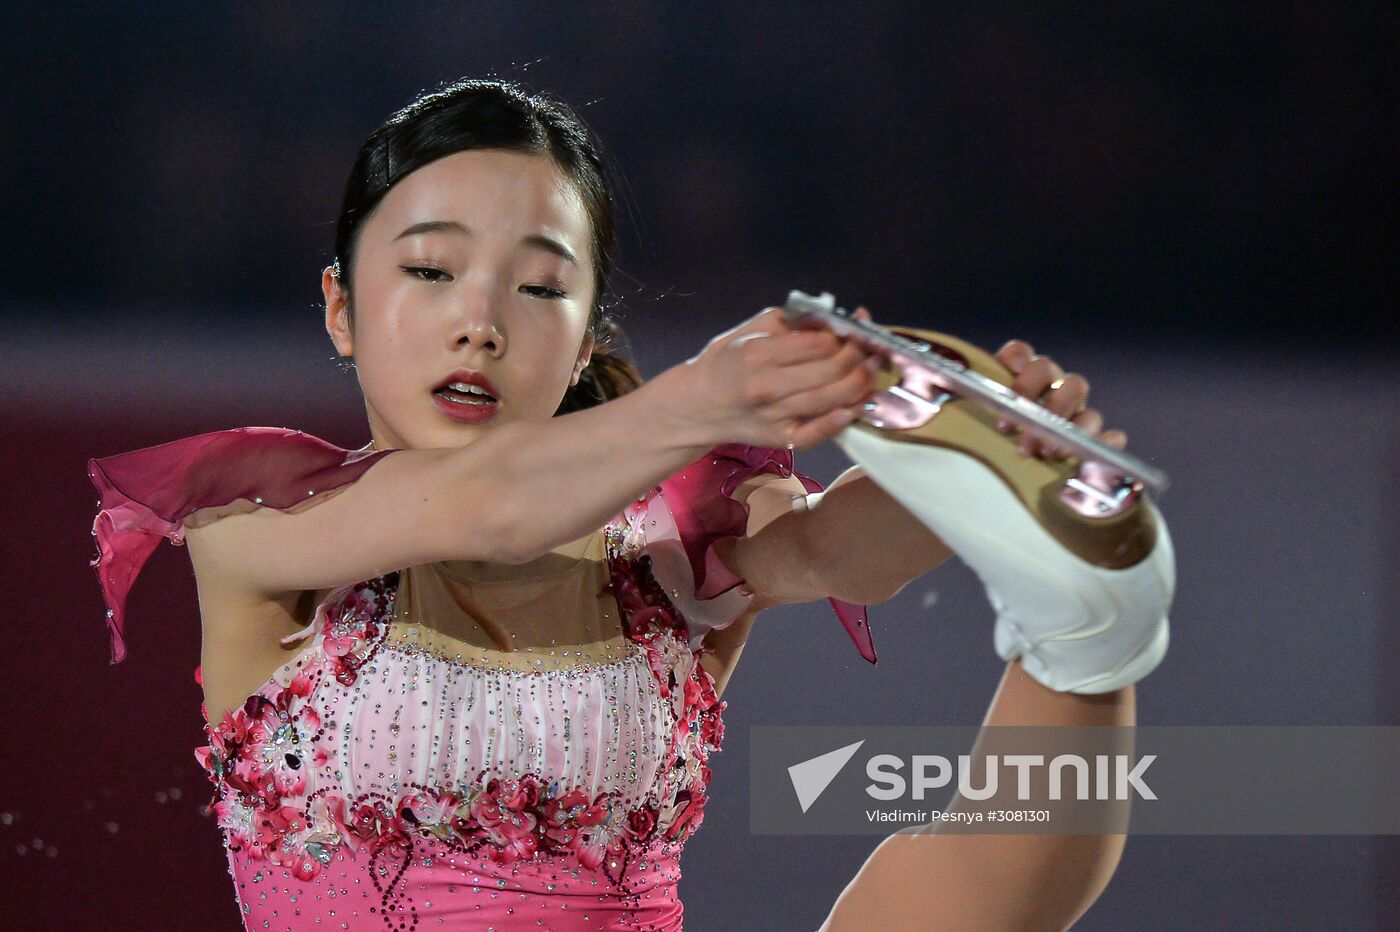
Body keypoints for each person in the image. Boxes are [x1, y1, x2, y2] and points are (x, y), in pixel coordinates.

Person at [87, 77, 1149, 930]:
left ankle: (1088, 631)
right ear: (339, 310)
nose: (480, 324)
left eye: (539, 286)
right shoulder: (262, 532)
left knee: (974, 883)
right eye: (428, 270)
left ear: (587, 335)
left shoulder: (667, 542)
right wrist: (702, 394)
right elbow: (486, 505)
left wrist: (986, 470)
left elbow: (837, 552)